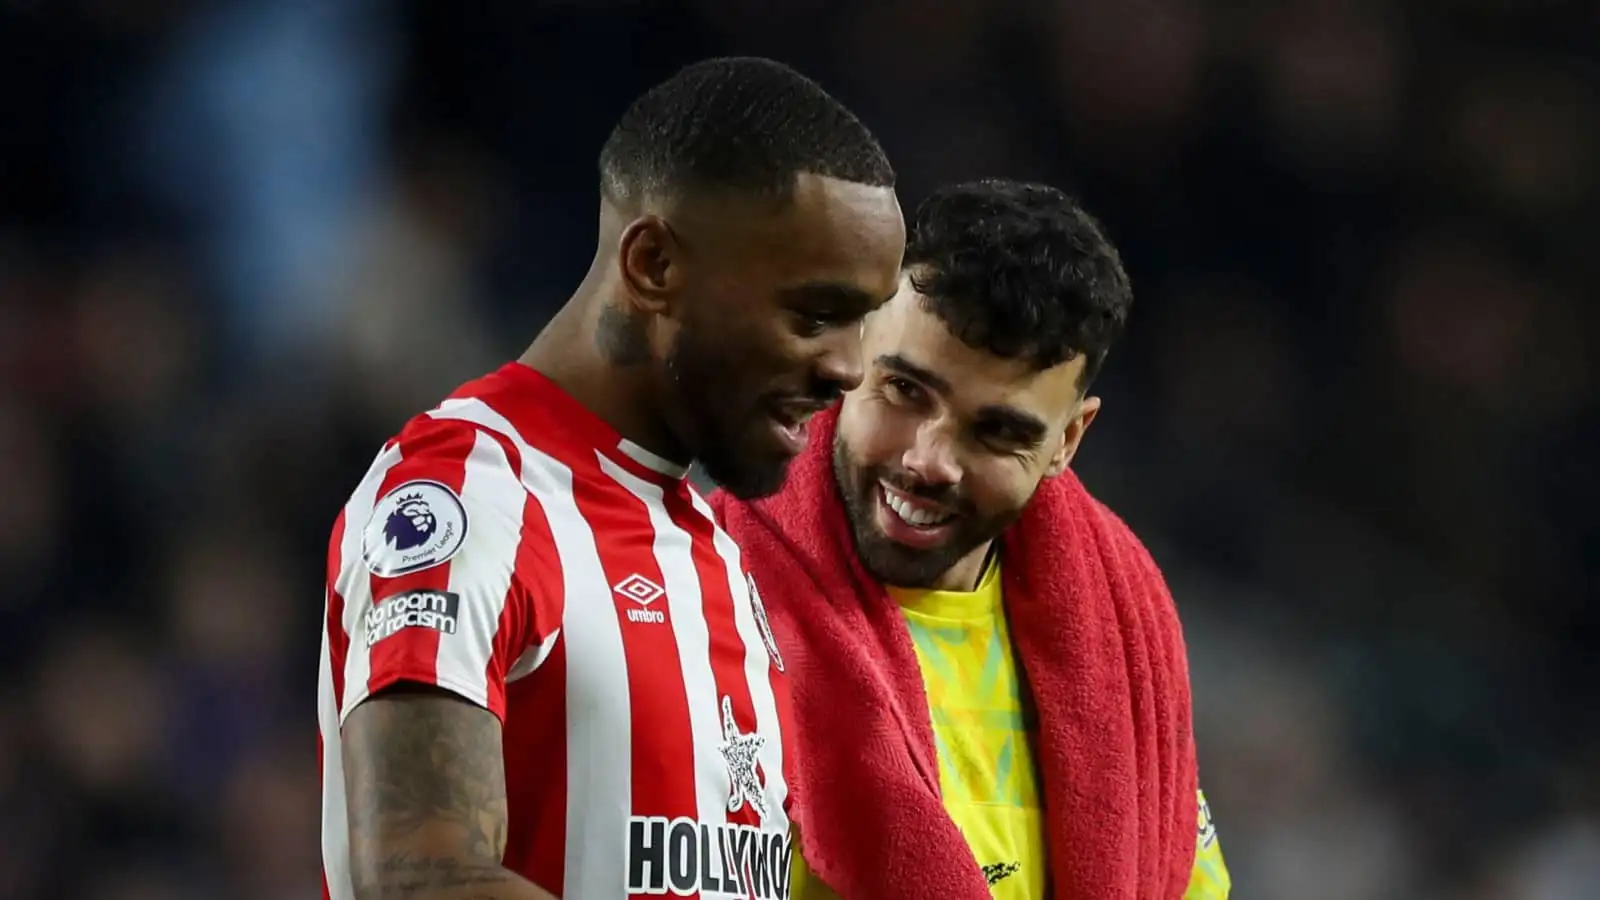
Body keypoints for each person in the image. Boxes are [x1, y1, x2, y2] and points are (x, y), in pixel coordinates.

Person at [316, 57, 905, 900]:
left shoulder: (718, 555)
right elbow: (420, 877)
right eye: (813, 314)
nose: (848, 369)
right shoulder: (470, 490)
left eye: (862, 323)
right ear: (655, 265)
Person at [712, 180, 1230, 899]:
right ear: (857, 349)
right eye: (905, 391)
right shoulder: (702, 594)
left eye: (998, 432)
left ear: (1068, 440)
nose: (929, 461)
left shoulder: (1122, 630)